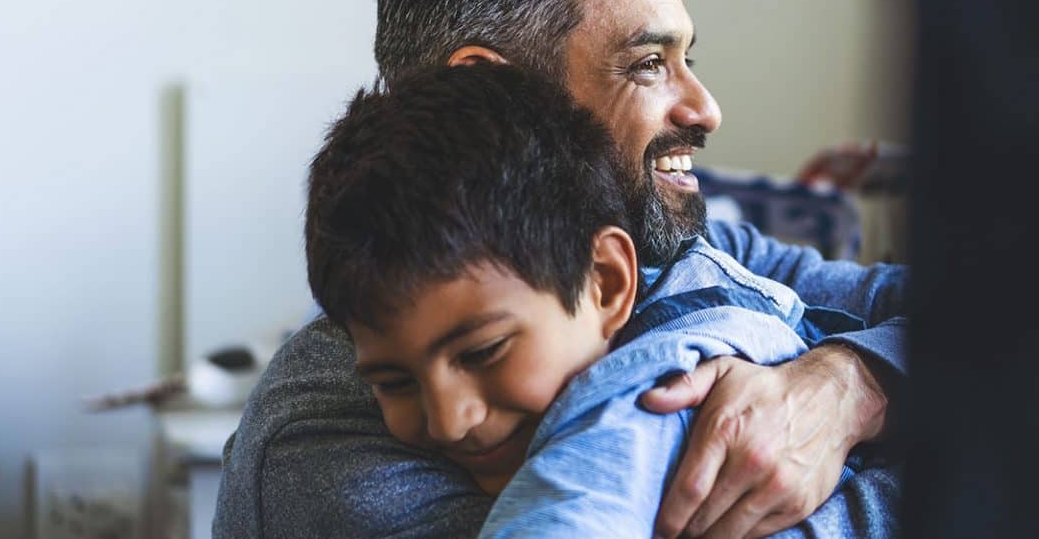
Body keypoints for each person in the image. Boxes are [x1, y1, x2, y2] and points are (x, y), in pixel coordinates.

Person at [214, 0, 907, 539]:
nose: (705, 109)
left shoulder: (687, 251)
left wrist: (850, 384)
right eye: (646, 64)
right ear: (495, 91)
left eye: (687, 59)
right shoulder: (329, 448)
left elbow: (985, 326)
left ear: (612, 278)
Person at [304, 63, 883, 536]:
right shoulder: (325, 460)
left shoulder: (644, 395)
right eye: (394, 383)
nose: (450, 420)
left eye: (483, 352)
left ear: (608, 282)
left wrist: (853, 380)